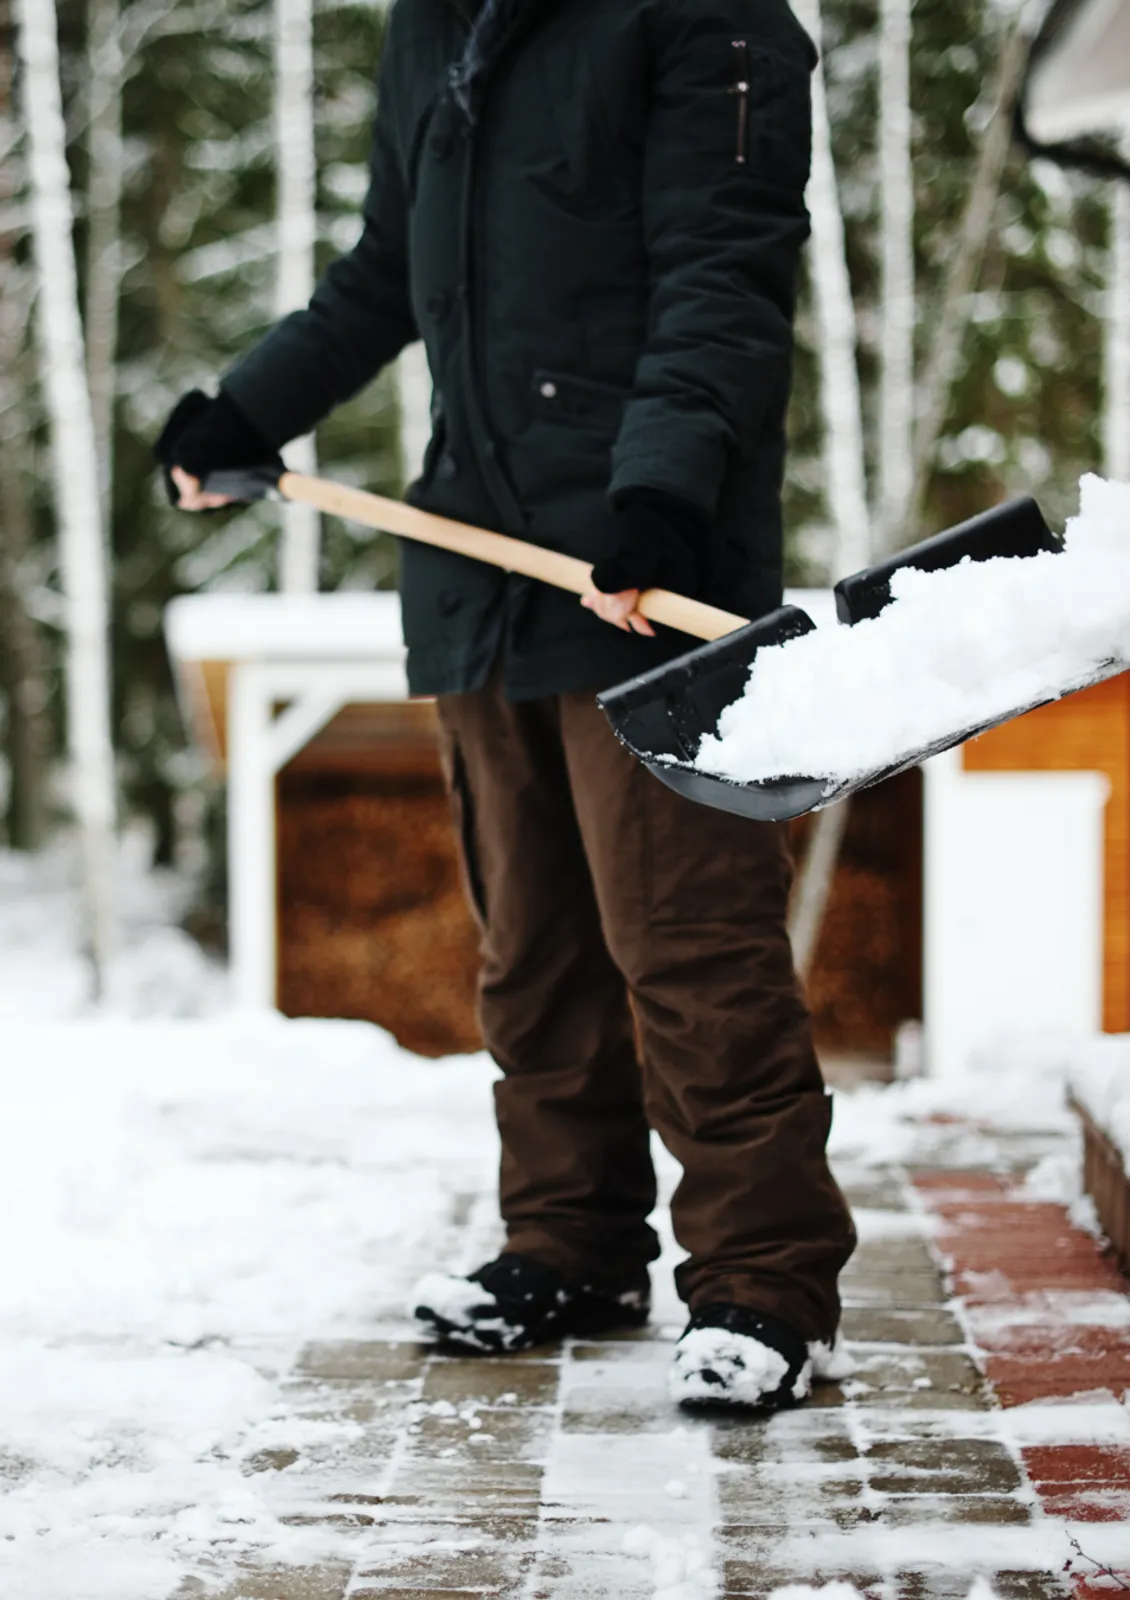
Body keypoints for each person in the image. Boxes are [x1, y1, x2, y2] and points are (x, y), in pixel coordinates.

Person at [156, 0, 855, 1412]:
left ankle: (761, 1282)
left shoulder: (704, 20)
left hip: (645, 575)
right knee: (532, 944)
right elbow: (384, 275)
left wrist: (657, 492)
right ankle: (572, 1242)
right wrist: (248, 411)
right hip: (482, 559)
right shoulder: (437, 25)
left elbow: (721, 272)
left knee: (688, 943)